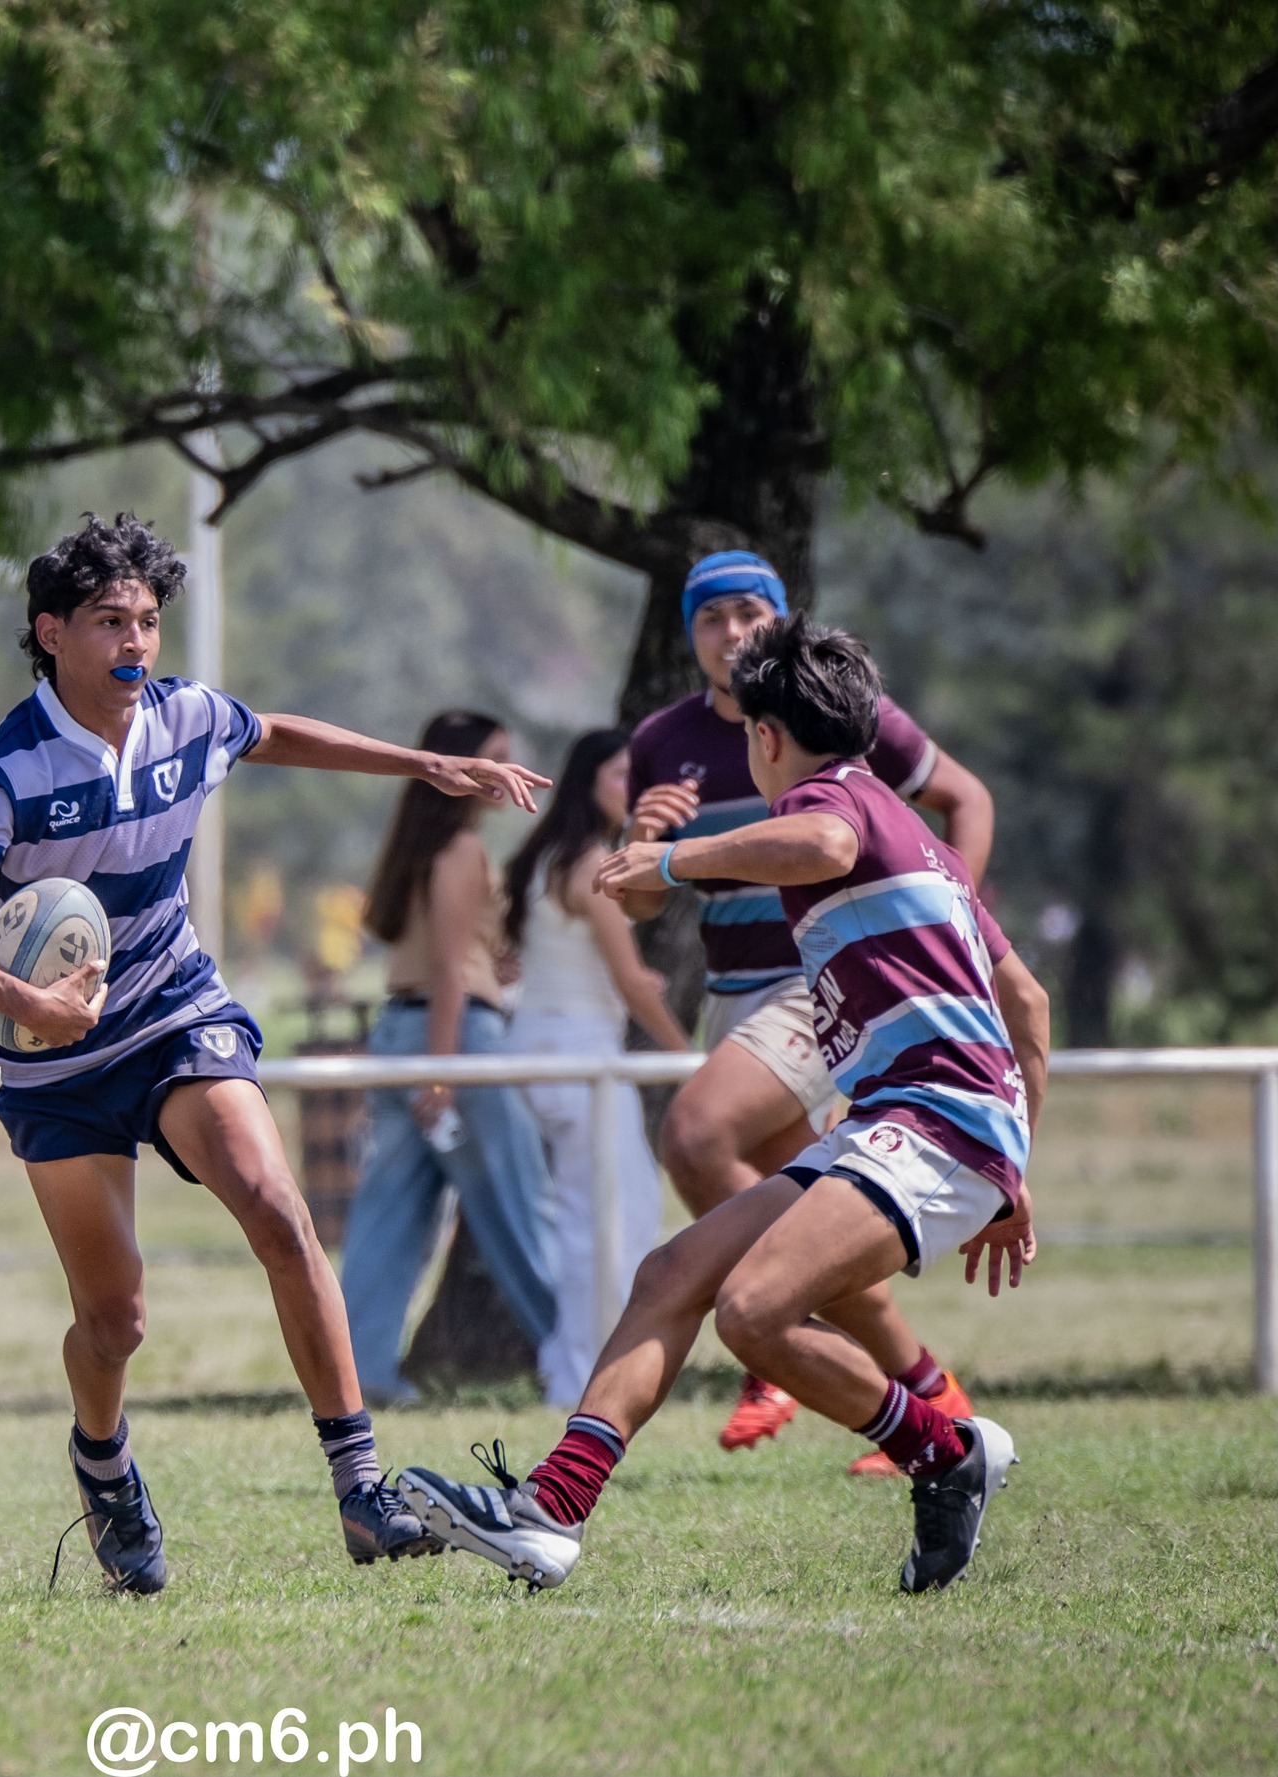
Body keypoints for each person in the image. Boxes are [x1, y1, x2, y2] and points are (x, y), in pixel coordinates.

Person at [0, 513, 548, 1592]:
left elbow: (273, 731)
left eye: (148, 619)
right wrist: (20, 1001)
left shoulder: (185, 717)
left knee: (278, 1211)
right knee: (115, 1320)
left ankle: (361, 1489)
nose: (135, 642)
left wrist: (421, 764)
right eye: (110, 620)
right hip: (59, 1063)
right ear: (49, 631)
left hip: (176, 1013)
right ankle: (101, 1462)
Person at [401, 613, 1050, 1596]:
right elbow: (1029, 1003)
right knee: (673, 1271)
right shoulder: (918, 837)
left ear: (764, 736)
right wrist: (1015, 1164)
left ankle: (941, 1450)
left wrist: (670, 860)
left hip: (931, 1121)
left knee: (753, 1310)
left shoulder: (843, 806)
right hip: (912, 1124)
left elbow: (819, 838)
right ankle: (551, 1511)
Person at [622, 553, 996, 1472]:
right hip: (734, 996)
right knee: (809, 1223)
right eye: (709, 618)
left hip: (822, 989)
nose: (730, 630)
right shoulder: (661, 742)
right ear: (689, 636)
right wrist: (646, 845)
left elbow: (965, 799)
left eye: (749, 611)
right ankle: (930, 1396)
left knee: (696, 1134)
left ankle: (772, 1355)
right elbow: (639, 904)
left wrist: (953, 929)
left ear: (780, 618)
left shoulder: (835, 713)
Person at [339, 710, 558, 1407]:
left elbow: (451, 955)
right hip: (452, 1037)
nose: (508, 772)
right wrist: (442, 1069)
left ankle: (358, 1371)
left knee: (386, 1216)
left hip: (399, 1032)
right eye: (495, 759)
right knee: (518, 1208)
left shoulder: (419, 850)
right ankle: (582, 1360)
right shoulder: (461, 851)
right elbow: (450, 971)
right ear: (459, 765)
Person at [503, 729, 693, 1407]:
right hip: (580, 1061)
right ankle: (588, 1375)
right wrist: (688, 1060)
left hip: (548, 1052)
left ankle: (579, 1366)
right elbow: (634, 984)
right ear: (588, 781)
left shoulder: (550, 856)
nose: (632, 790)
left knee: (598, 1216)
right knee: (612, 1219)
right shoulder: (589, 862)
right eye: (620, 775)